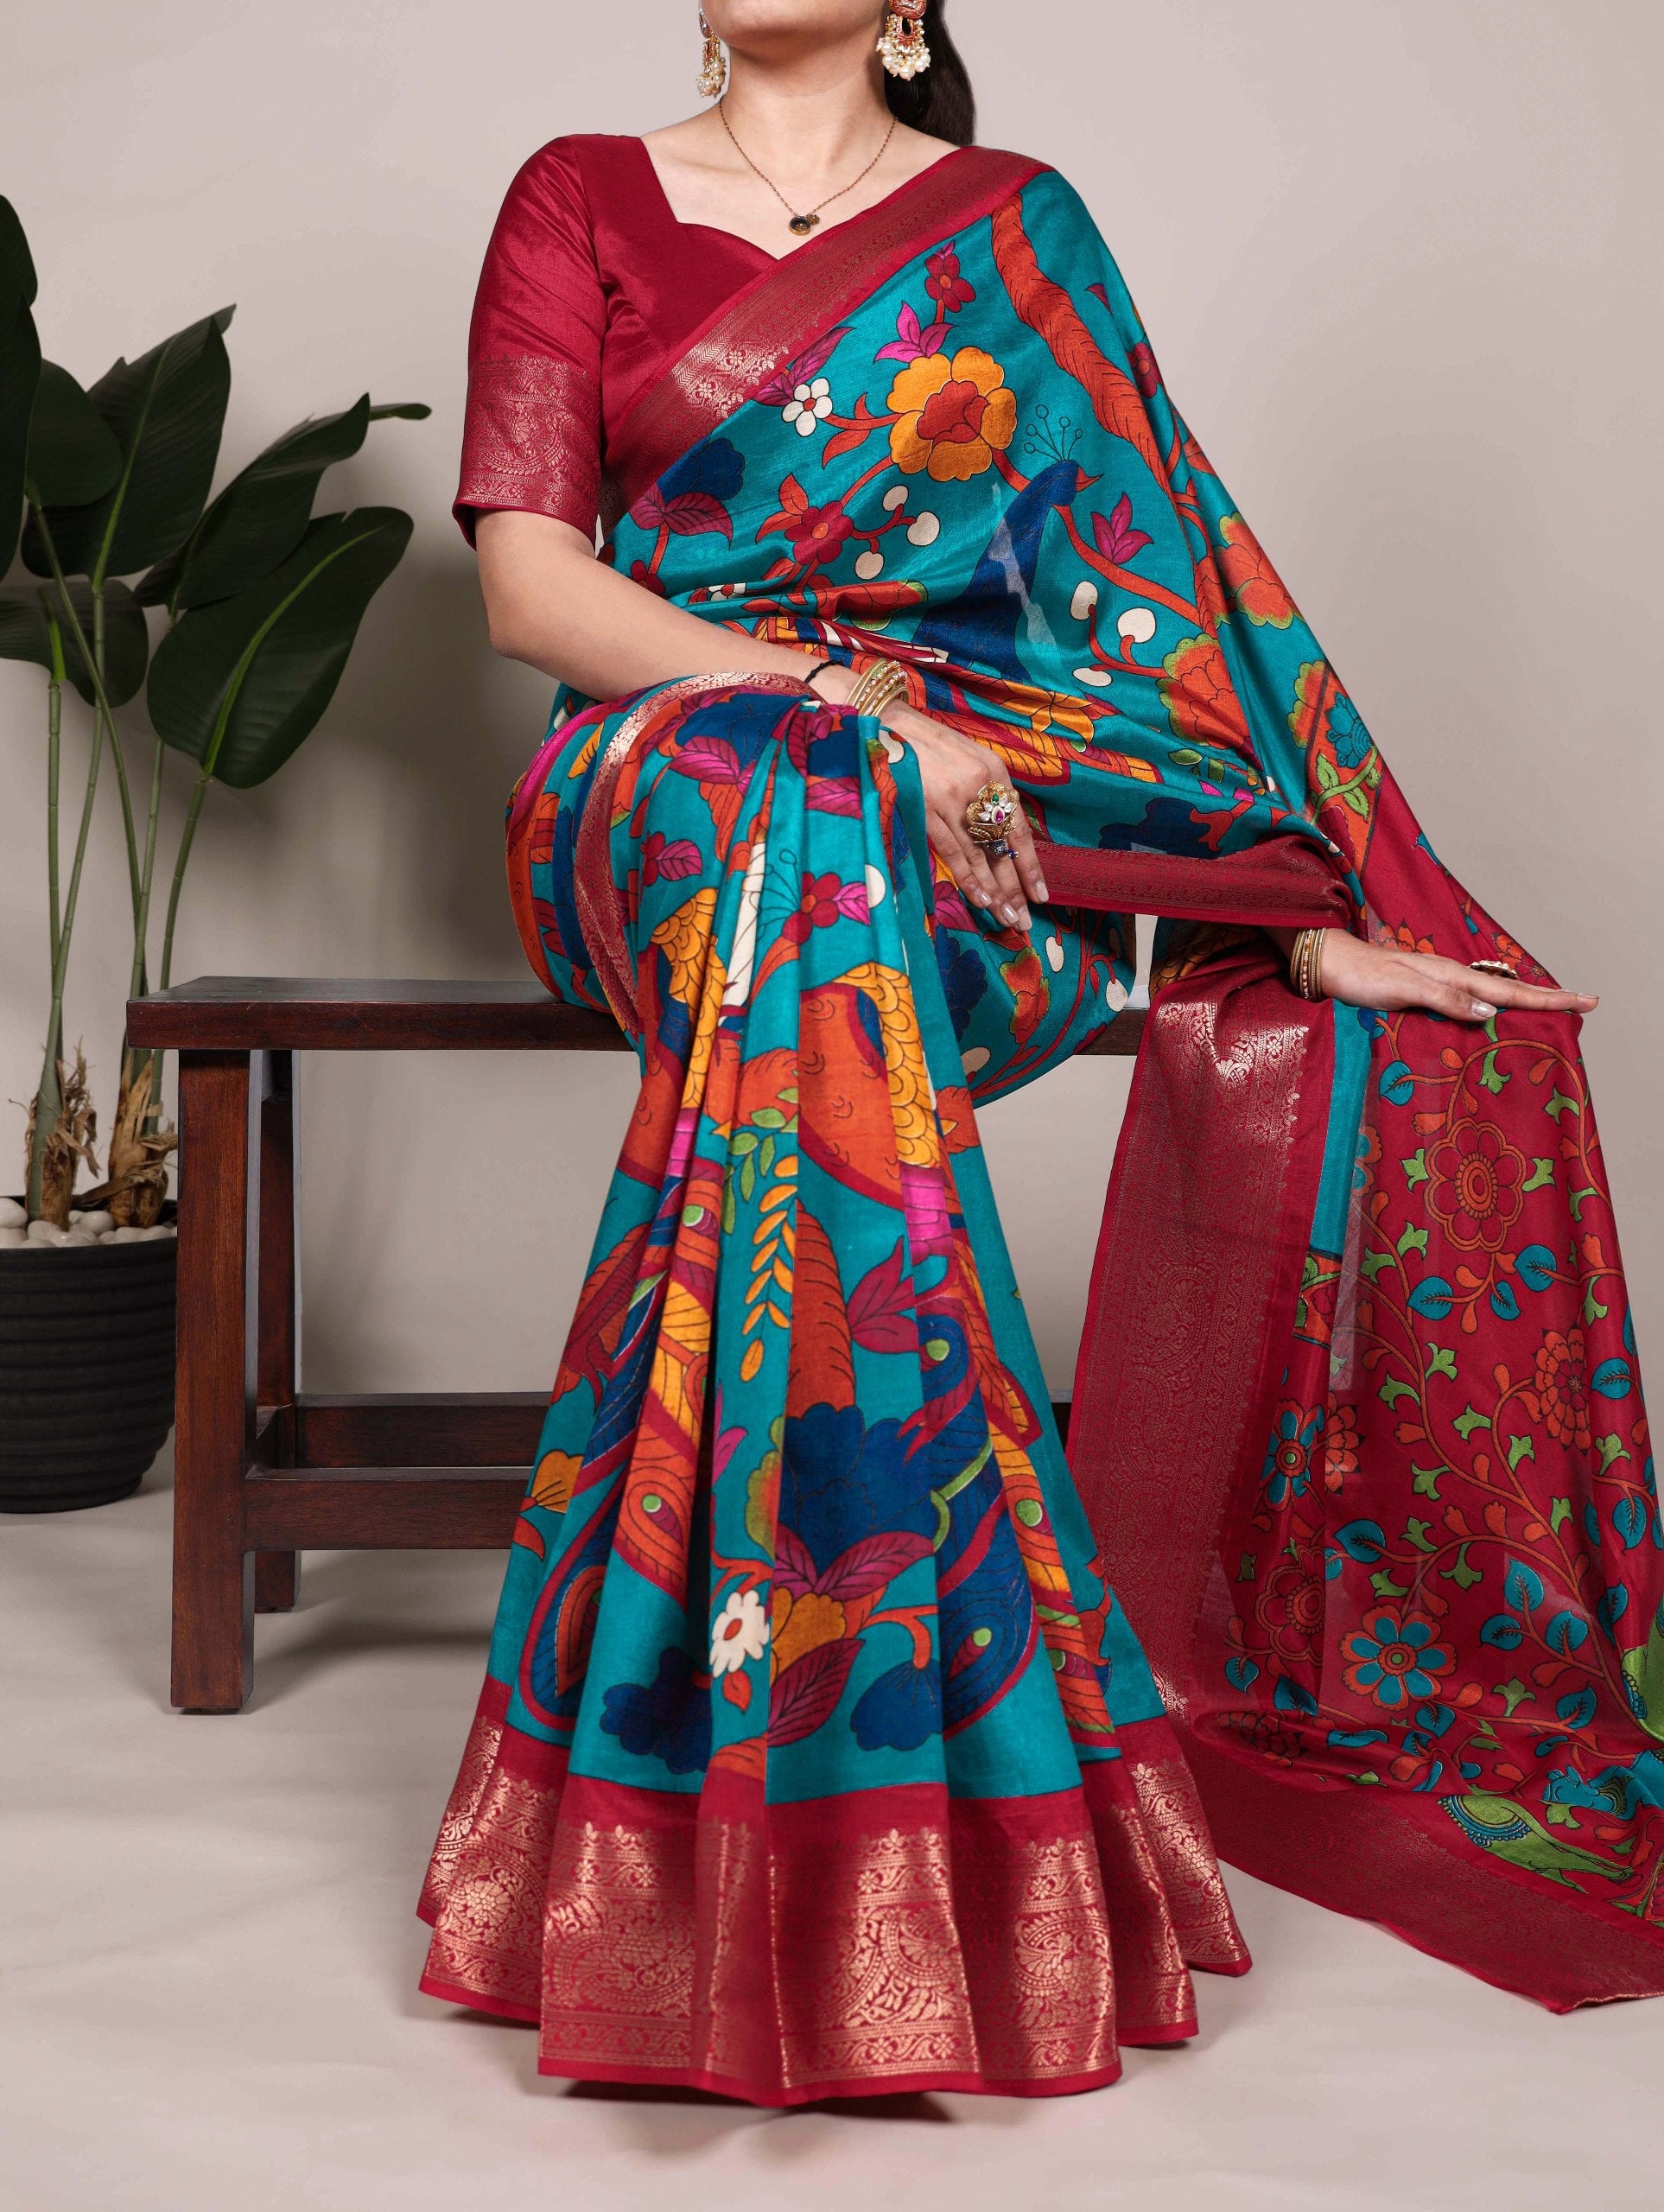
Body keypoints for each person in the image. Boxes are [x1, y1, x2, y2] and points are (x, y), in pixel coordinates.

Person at [418, 0, 1662, 2102]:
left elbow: (1145, 618)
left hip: (961, 843)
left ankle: (693, 1815)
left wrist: (1287, 917)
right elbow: (534, 594)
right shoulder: (582, 197)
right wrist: (843, 714)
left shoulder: (1016, 234)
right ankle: (944, 1767)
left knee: (833, 912)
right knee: (804, 830)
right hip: (659, 792)